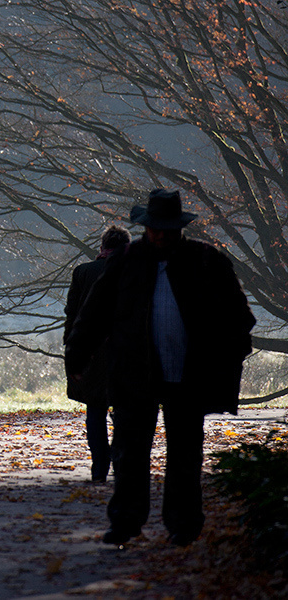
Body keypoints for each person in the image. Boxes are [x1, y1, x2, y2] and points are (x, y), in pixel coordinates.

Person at [64, 189, 255, 547]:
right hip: (135, 375)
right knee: (129, 453)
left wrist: (229, 357)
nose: (161, 235)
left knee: (185, 454)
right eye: (155, 229)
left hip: (189, 375)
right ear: (145, 227)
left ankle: (183, 525)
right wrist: (77, 354)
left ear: (179, 228)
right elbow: (94, 313)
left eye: (167, 229)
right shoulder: (125, 261)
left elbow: (238, 318)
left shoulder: (205, 261)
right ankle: (124, 522)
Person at [64, 225, 131, 483]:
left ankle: (99, 466)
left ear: (102, 246)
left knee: (95, 411)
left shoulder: (83, 272)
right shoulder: (133, 271)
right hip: (125, 352)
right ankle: (120, 459)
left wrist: (72, 348)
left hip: (90, 352)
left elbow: (72, 314)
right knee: (125, 411)